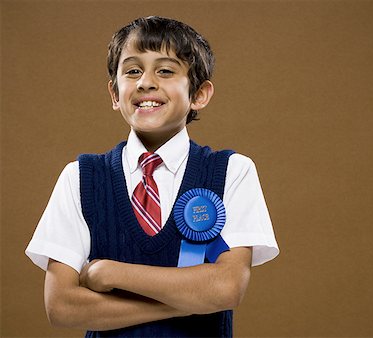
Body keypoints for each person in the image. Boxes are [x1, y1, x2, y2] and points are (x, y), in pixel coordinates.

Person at [25, 16, 279, 337]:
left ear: (199, 94)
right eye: (132, 71)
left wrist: (110, 272)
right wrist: (189, 303)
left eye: (165, 70)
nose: (145, 82)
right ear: (115, 94)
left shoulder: (232, 171)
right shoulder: (80, 177)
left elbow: (226, 287)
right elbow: (61, 307)